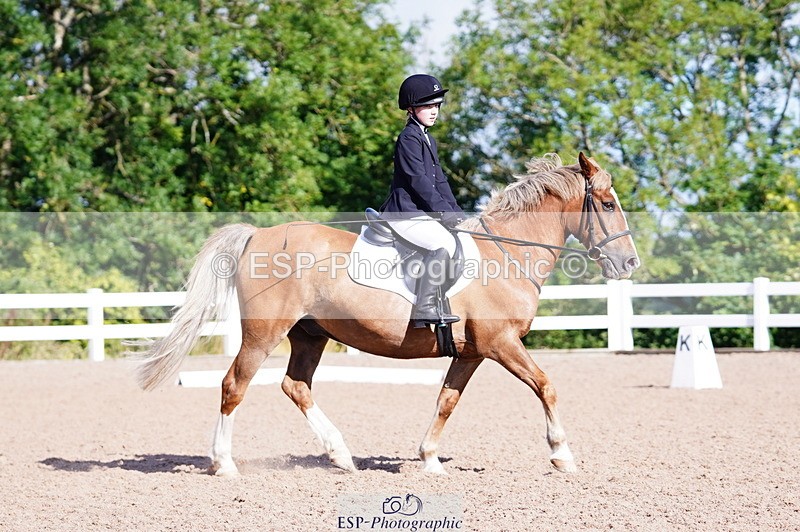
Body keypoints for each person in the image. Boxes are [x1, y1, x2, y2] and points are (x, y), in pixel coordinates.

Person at [380, 74, 466, 327]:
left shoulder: (427, 138)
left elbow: (439, 181)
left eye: (437, 105)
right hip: (404, 213)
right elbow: (419, 182)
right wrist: (443, 213)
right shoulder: (408, 138)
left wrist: (457, 212)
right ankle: (424, 307)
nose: (434, 111)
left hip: (420, 213)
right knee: (443, 244)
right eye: (428, 106)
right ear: (410, 108)